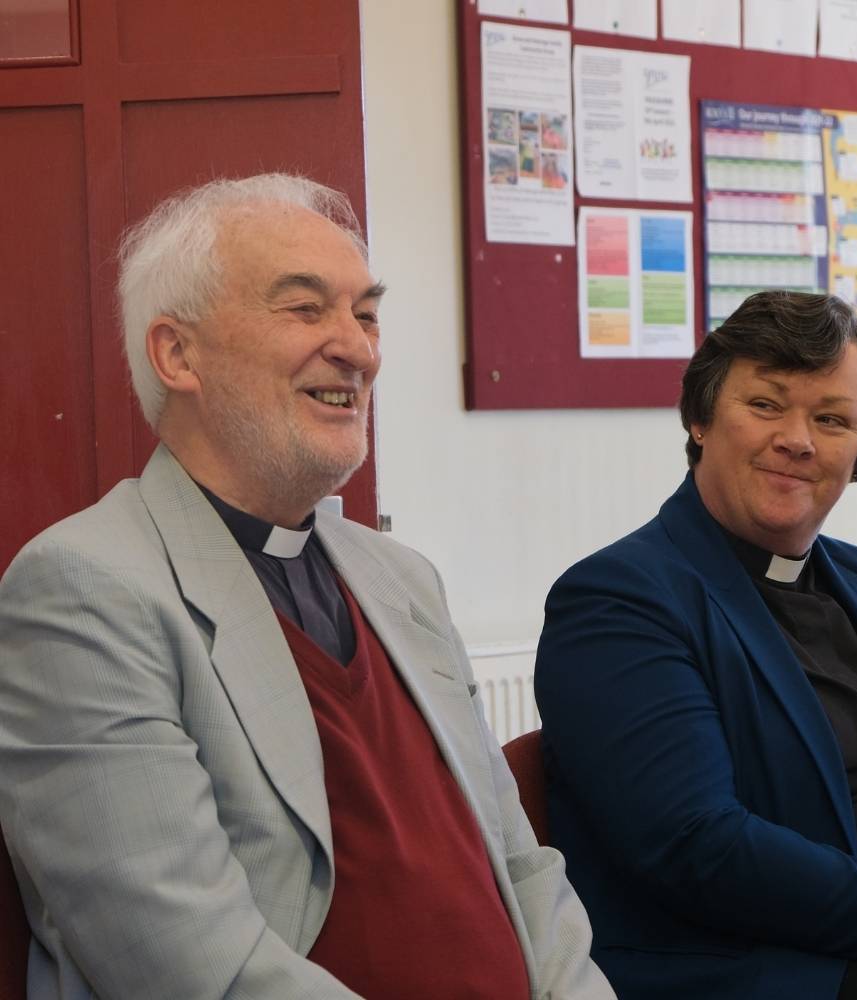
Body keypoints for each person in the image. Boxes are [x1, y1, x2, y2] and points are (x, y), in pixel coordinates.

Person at [0, 174, 614, 1000]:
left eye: (366, 314)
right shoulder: (84, 590)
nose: (359, 349)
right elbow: (185, 962)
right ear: (177, 353)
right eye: (304, 309)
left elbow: (522, 865)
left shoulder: (402, 579)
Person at [534, 290, 857, 1000]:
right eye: (766, 405)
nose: (798, 439)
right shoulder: (617, 598)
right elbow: (696, 846)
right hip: (788, 963)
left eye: (832, 419)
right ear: (700, 418)